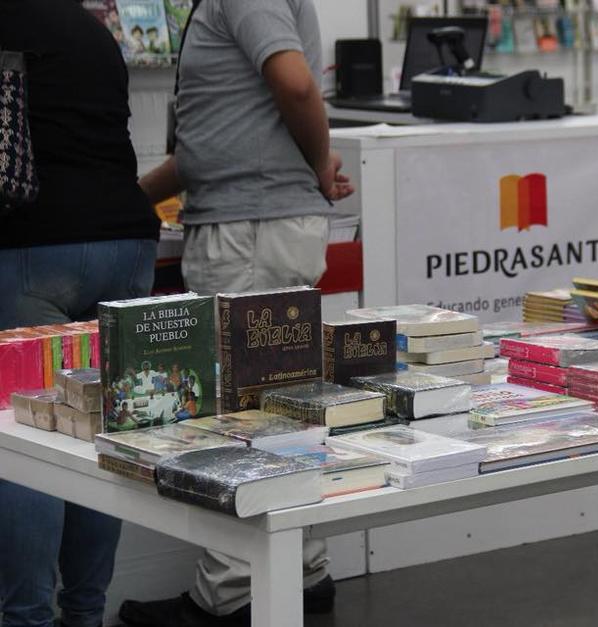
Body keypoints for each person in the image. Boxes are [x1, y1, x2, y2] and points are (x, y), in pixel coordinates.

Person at [118, 1, 352, 625]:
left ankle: (230, 597)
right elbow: (215, 144)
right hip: (254, 221)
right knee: (282, 410)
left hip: (248, 229)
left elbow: (295, 82)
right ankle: (303, 574)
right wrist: (132, 196)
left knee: (241, 416)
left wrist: (316, 167)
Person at [0, 1, 161, 626]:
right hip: (128, 240)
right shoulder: (96, 32)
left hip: (35, 244)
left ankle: (27, 618)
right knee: (101, 426)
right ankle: (86, 612)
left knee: (23, 437)